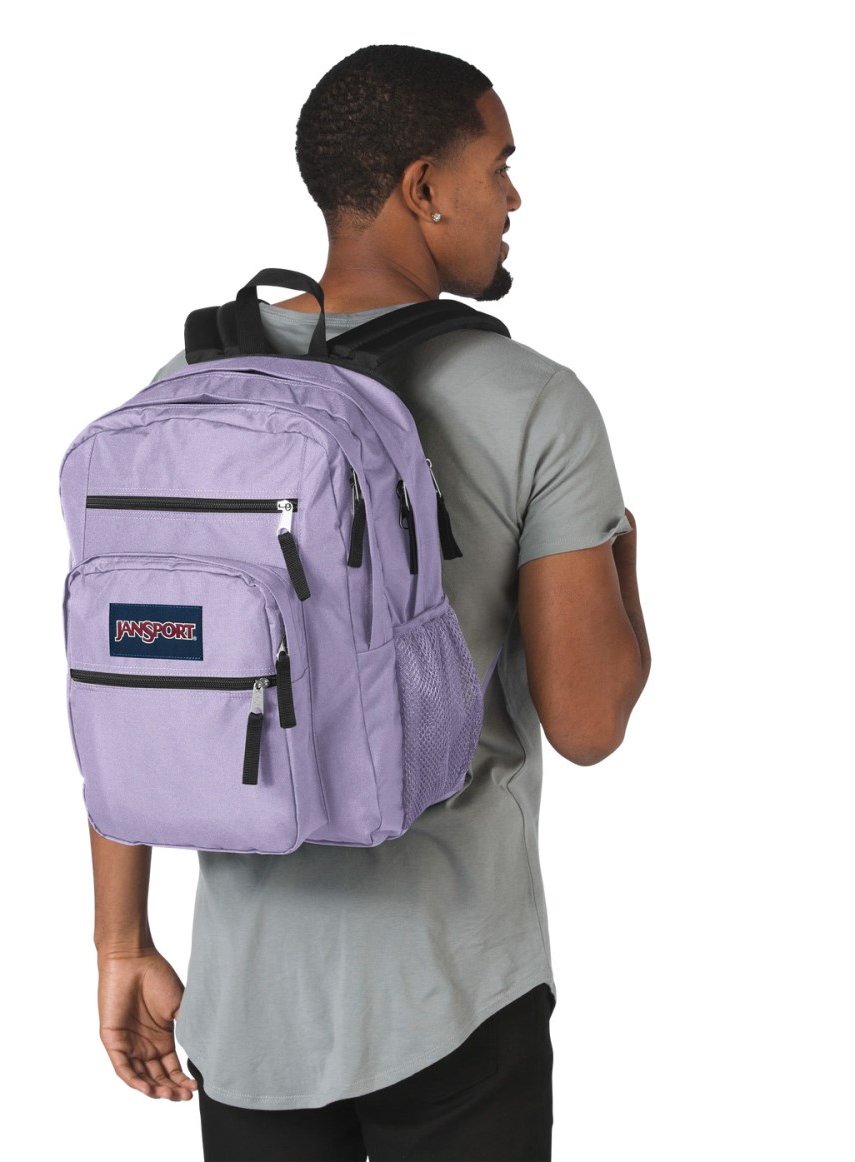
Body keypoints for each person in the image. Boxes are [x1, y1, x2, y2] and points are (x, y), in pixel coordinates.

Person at [88, 44, 650, 1162]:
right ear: (423, 187)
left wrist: (121, 942)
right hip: (454, 996)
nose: (513, 198)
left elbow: (138, 689)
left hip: (246, 1014)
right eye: (499, 165)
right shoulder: (533, 401)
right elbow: (589, 723)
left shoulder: (186, 392)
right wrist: (625, 561)